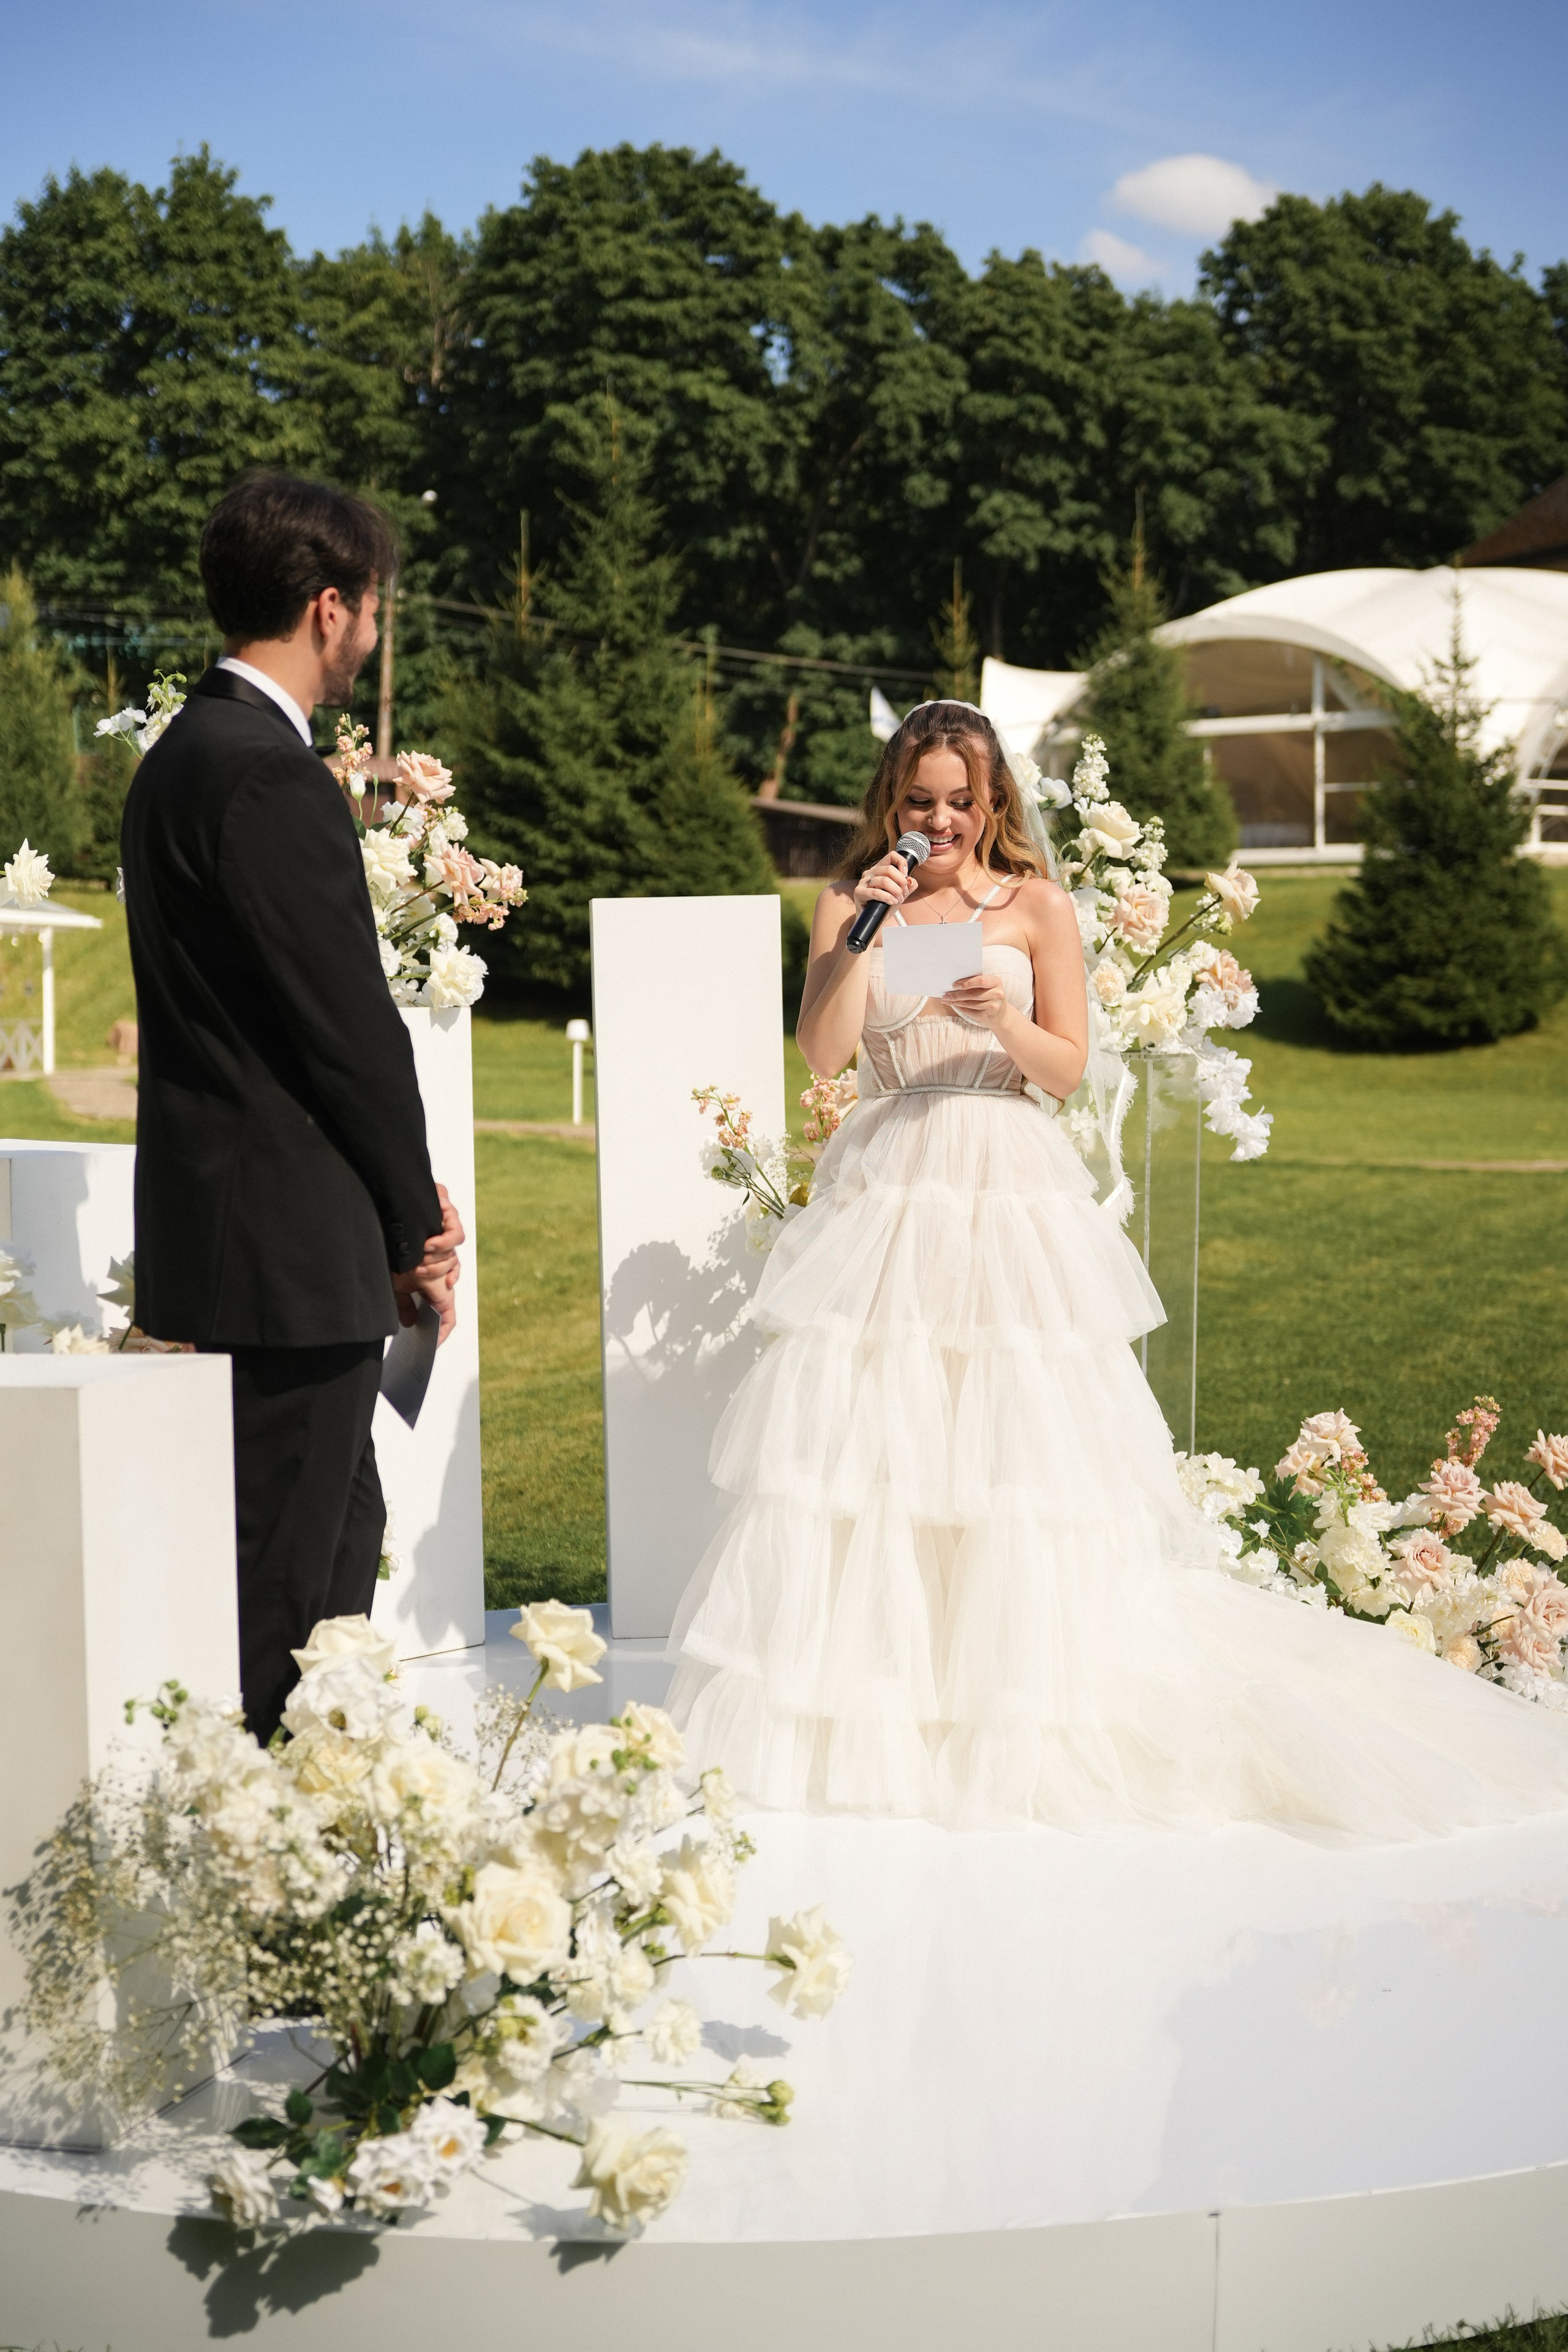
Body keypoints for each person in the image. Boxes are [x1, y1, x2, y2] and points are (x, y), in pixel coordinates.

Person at [665, 700, 1568, 1838]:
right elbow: (824, 1053)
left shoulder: (1034, 905)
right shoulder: (851, 901)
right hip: (890, 1174)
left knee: (1013, 1440)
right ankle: (890, 1699)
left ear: (991, 804)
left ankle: (1019, 1696)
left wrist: (1001, 1019)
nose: (938, 820)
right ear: (890, 801)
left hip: (1003, 1169)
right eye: (918, 799)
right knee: (879, 1437)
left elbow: (1069, 1070)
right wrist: (865, 936)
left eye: (960, 800)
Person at [121, 471, 462, 1740]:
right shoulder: (268, 777)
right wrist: (411, 1219)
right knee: (287, 1598)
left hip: (234, 1237)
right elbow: (348, 1036)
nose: (371, 631)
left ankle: (310, 1844)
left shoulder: (181, 758)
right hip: (286, 1247)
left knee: (333, 1540)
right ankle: (262, 1876)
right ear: (331, 609)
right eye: (371, 607)